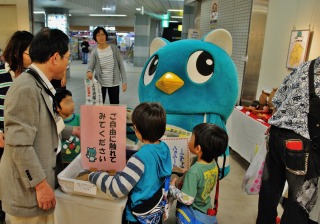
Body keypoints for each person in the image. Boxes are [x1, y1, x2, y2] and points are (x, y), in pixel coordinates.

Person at [0, 28, 80, 224]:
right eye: (67, 58)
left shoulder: (39, 84)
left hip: (38, 185)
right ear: (55, 58)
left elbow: (43, 127)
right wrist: (41, 185)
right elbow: (20, 145)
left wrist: (74, 131)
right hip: (28, 191)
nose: (67, 63)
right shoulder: (26, 89)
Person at [256, 57, 320, 224]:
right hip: (300, 142)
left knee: (269, 190)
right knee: (299, 200)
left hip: (276, 135)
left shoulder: (305, 66)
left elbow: (277, 99)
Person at [88, 102, 172, 224]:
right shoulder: (164, 148)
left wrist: (93, 176)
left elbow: (118, 188)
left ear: (138, 131)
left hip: (138, 216)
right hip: (155, 209)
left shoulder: (140, 158)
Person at [0, 30, 34, 224]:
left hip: (20, 141)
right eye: (29, 53)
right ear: (16, 52)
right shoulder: (2, 73)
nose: (34, 57)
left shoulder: (32, 77)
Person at [169, 123, 228, 224]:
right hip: (205, 207)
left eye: (191, 137)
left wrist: (172, 188)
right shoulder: (213, 163)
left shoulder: (194, 172)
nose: (189, 139)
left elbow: (187, 199)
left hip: (192, 212)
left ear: (198, 148)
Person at [86, 26, 127, 104]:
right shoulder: (94, 52)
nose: (101, 37)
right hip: (100, 84)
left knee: (115, 105)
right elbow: (90, 67)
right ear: (95, 38)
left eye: (103, 34)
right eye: (98, 35)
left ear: (106, 36)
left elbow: (121, 66)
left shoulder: (114, 49)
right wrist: (89, 72)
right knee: (99, 105)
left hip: (114, 83)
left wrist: (124, 81)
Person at [55, 89, 80, 168]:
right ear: (57, 107)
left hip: (78, 158)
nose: (72, 105)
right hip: (63, 161)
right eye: (67, 103)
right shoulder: (56, 123)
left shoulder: (78, 118)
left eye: (72, 101)